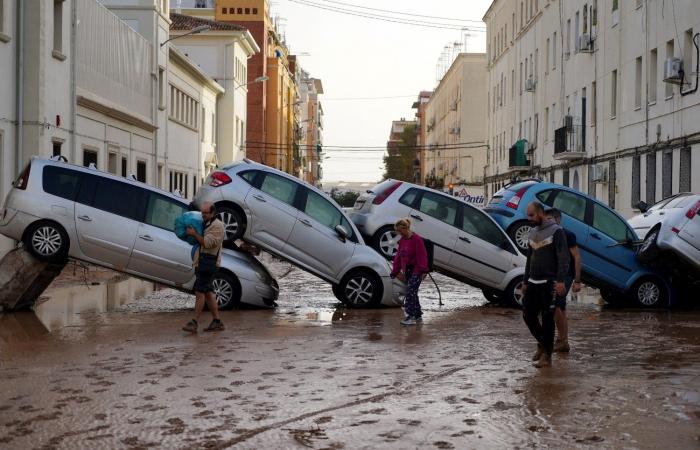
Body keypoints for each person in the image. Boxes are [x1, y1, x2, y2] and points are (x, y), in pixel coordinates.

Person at [521, 202, 570, 368]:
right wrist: (525, 281)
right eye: (528, 215)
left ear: (541, 213)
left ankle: (547, 356)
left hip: (550, 283)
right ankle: (543, 343)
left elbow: (564, 258)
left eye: (532, 215)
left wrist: (561, 281)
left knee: (548, 319)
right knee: (528, 315)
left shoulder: (557, 231)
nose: (529, 219)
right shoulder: (532, 232)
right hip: (533, 282)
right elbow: (529, 259)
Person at [182, 202, 226, 333]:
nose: (203, 215)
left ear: (213, 213)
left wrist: (194, 234)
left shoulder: (218, 227)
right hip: (202, 262)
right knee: (208, 293)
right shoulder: (205, 223)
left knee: (199, 292)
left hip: (209, 264)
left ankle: (194, 322)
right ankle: (217, 321)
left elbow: (207, 243)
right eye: (202, 213)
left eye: (206, 213)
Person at [545, 208, 582, 353]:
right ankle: (563, 341)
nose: (547, 222)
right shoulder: (548, 234)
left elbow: (577, 257)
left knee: (556, 307)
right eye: (546, 219)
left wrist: (577, 280)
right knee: (561, 308)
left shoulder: (568, 234)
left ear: (558, 220)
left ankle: (561, 341)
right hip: (554, 275)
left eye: (550, 219)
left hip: (565, 275)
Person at [390, 218, 429, 325]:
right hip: (407, 271)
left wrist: (423, 270)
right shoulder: (402, 241)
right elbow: (398, 257)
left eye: (400, 231)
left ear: (405, 228)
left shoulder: (417, 240)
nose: (398, 233)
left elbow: (422, 256)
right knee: (413, 293)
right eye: (397, 231)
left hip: (417, 270)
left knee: (410, 291)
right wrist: (395, 271)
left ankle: (410, 316)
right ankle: (418, 316)